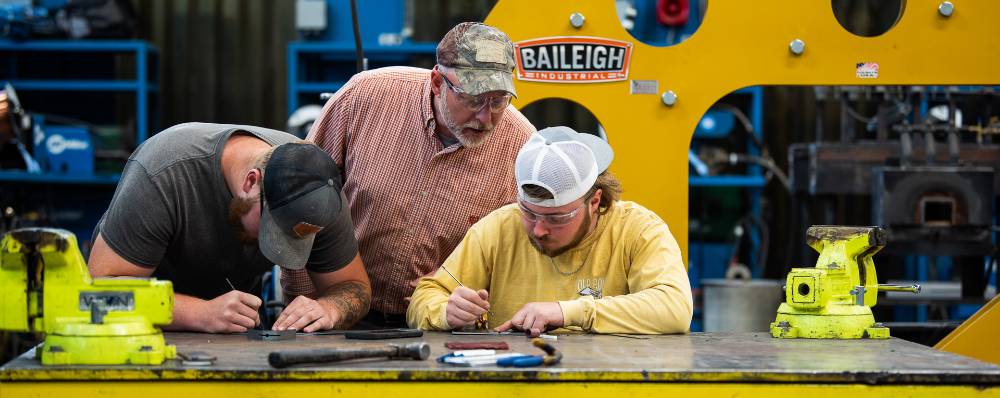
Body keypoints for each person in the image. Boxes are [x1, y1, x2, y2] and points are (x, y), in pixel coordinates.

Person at [289, 22, 535, 328]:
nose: (486, 116)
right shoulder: (364, 98)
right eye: (473, 98)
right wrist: (302, 303)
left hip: (437, 325)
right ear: (436, 82)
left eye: (498, 101)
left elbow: (519, 255)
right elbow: (297, 196)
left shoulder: (521, 146)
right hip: (334, 312)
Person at [407, 126, 693, 336]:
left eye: (557, 218)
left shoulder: (637, 229)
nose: (539, 229)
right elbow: (423, 298)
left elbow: (675, 308)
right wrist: (446, 311)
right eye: (529, 213)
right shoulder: (498, 228)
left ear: (594, 201)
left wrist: (567, 311)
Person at [88, 122, 370, 333]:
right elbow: (97, 294)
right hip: (139, 335)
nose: (280, 246)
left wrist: (329, 308)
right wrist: (200, 313)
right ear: (251, 182)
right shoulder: (164, 176)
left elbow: (355, 287)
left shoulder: (318, 194)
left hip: (232, 337)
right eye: (271, 229)